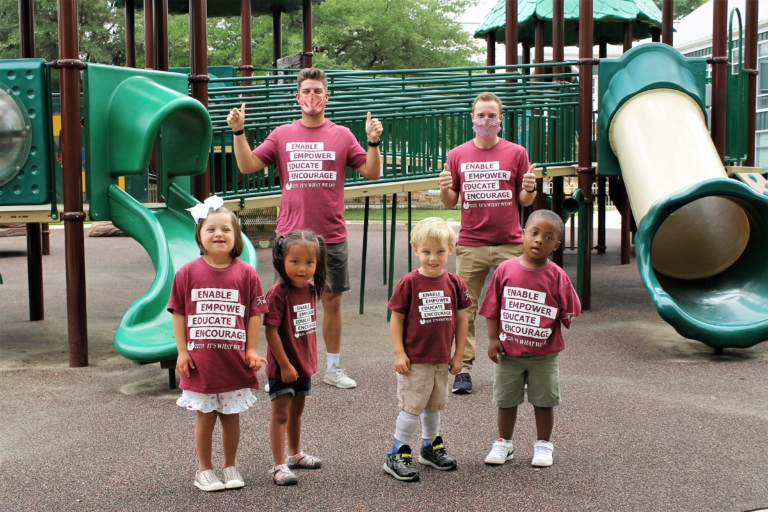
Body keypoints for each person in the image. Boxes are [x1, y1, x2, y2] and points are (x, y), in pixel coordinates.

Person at [227, 67, 383, 390]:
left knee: (332, 303)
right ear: (297, 97)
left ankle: (332, 367)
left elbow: (371, 172)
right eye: (307, 92)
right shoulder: (282, 134)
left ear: (327, 97)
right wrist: (239, 133)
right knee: (282, 306)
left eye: (318, 91)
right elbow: (247, 165)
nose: (313, 97)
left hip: (331, 237)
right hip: (290, 238)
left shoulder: (342, 135)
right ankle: (278, 370)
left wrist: (372, 141)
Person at [438, 91, 538, 395]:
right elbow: (450, 202)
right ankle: (463, 370)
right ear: (472, 119)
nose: (486, 120)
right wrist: (444, 187)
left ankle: (521, 364)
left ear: (501, 119)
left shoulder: (516, 153)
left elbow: (523, 199)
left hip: (510, 242)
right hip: (471, 243)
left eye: (491, 115)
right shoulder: (457, 154)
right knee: (465, 309)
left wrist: (530, 189)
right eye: (481, 115)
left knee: (517, 305)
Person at [169, 197, 269, 492]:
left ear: (236, 236)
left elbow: (254, 314)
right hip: (201, 362)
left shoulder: (246, 272)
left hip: (234, 360)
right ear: (199, 236)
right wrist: (182, 352)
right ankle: (204, 469)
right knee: (205, 418)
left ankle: (229, 465)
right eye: (210, 229)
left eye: (226, 229)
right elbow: (179, 313)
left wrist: (251, 349)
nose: (218, 234)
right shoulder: (187, 273)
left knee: (231, 417)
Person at [478, 209, 581, 467]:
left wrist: (563, 316)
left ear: (556, 245)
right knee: (506, 399)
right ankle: (504, 442)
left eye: (548, 237)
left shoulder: (557, 276)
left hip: (544, 355)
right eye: (534, 233)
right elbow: (492, 307)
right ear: (522, 234)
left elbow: (571, 308)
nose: (539, 240)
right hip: (509, 353)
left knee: (544, 401)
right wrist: (492, 339)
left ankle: (543, 444)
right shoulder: (505, 270)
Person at [383, 217, 471, 482]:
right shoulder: (409, 282)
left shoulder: (455, 283)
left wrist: (458, 355)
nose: (433, 258)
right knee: (412, 406)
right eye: (427, 252)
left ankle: (429, 446)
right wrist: (399, 352)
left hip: (440, 358)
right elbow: (396, 318)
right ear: (416, 251)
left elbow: (463, 319)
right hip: (416, 359)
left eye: (440, 251)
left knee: (434, 405)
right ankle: (398, 450)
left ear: (451, 250)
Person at [264, 230, 328, 486]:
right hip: (284, 367)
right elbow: (270, 331)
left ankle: (295, 454)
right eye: (295, 261)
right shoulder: (279, 292)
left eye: (309, 263)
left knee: (297, 412)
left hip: (303, 365)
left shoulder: (311, 289)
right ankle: (278, 465)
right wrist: (285, 365)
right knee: (280, 414)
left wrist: (307, 362)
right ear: (282, 260)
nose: (302, 268)